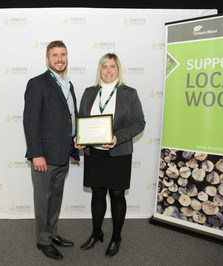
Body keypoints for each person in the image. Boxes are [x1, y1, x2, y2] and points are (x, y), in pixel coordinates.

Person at [75, 53, 145, 257]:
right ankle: (96, 233)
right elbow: (81, 120)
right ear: (99, 70)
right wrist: (79, 138)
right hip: (94, 154)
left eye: (112, 66)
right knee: (97, 193)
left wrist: (117, 137)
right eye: (104, 66)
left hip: (119, 154)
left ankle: (116, 237)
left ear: (118, 69)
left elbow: (139, 123)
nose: (108, 71)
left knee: (117, 195)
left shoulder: (129, 93)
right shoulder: (89, 92)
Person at [23, 40, 79, 260]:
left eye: (63, 54)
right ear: (47, 59)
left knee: (55, 198)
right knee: (43, 200)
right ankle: (42, 241)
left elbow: (69, 117)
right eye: (55, 55)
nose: (60, 59)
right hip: (44, 156)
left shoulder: (68, 84)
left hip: (63, 154)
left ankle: (53, 233)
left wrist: (75, 142)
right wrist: (36, 154)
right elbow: (30, 122)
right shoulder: (37, 83)